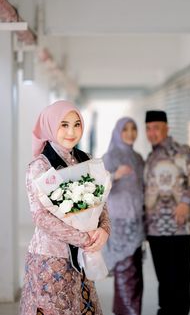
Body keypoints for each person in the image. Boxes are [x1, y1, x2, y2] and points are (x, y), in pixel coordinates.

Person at [19, 100, 110, 315]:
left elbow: (101, 204)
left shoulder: (86, 160)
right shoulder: (40, 166)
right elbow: (41, 217)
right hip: (50, 261)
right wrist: (84, 238)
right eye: (64, 125)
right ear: (51, 126)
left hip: (82, 261)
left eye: (77, 124)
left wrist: (104, 230)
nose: (72, 132)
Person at [144, 110, 190, 315]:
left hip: (179, 228)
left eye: (156, 127)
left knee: (179, 280)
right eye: (148, 128)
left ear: (166, 128)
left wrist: (186, 202)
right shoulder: (151, 157)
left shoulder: (181, 151)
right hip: (155, 229)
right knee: (163, 279)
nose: (152, 132)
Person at [102, 117, 145, 315]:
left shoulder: (138, 158)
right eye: (125, 129)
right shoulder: (110, 157)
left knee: (135, 273)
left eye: (133, 128)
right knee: (125, 272)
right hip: (119, 223)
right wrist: (114, 175)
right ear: (117, 132)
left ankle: (130, 310)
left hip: (136, 221)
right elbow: (97, 189)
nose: (130, 133)